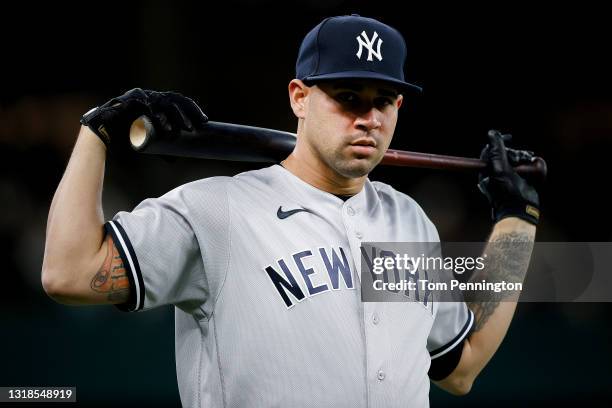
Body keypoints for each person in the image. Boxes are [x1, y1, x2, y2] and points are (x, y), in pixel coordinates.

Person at [42, 14, 540, 408]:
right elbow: (69, 273)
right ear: (299, 98)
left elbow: (461, 369)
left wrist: (516, 216)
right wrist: (97, 134)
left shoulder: (408, 220)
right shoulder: (220, 210)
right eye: (348, 98)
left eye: (383, 100)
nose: (368, 118)